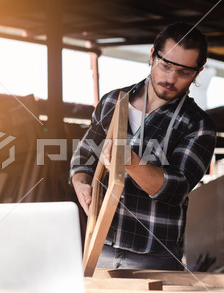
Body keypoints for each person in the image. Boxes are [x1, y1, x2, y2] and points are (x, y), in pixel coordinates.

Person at [70, 22, 216, 270]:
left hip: (153, 256)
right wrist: (82, 184)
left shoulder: (198, 125)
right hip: (98, 246)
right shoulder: (113, 101)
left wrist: (132, 162)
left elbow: (175, 188)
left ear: (198, 72)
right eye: (166, 65)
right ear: (152, 55)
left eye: (183, 73)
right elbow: (83, 158)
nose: (170, 79)